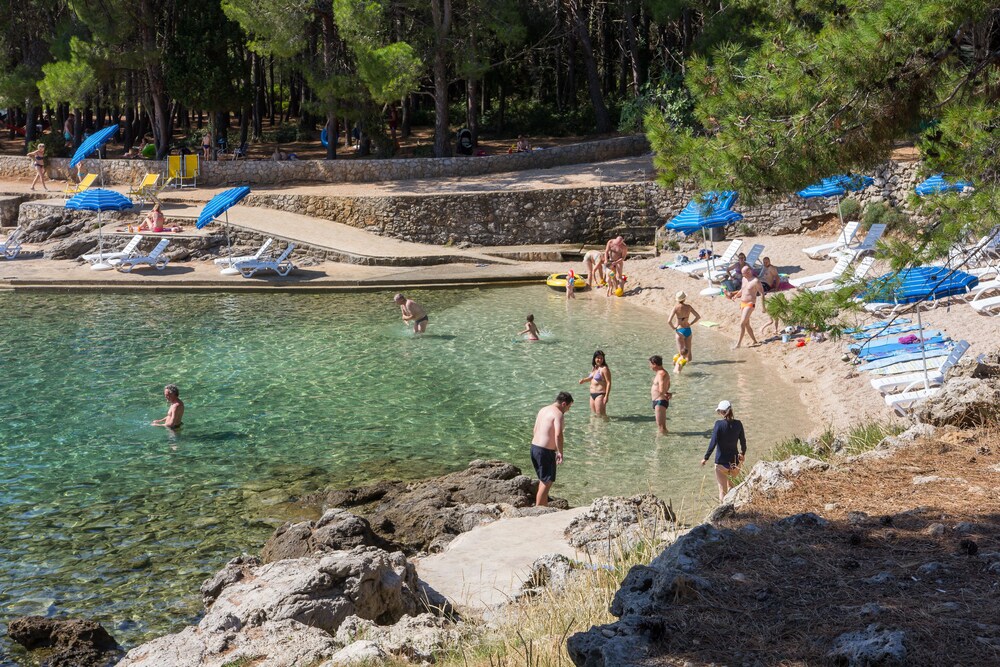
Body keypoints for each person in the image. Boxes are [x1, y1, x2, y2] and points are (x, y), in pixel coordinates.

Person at [530, 391, 573, 506]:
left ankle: (543, 507)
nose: (568, 410)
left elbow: (535, 429)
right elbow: (558, 435)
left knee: (543, 480)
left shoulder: (543, 410)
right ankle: (538, 511)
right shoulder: (558, 414)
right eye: (569, 407)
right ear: (564, 404)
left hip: (534, 448)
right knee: (546, 482)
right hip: (545, 451)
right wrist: (560, 452)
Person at [700, 400, 746, 502]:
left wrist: (705, 458)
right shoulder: (738, 424)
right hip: (735, 462)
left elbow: (713, 442)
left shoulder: (718, 424)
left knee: (722, 491)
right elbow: (743, 442)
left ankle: (723, 512)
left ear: (722, 412)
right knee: (733, 488)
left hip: (721, 463)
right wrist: (742, 454)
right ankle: (733, 508)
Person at [668, 291, 701, 372]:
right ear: (684, 298)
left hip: (680, 330)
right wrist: (691, 323)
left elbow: (669, 321)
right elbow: (698, 316)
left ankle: (677, 372)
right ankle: (688, 368)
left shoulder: (676, 307)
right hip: (688, 330)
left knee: (681, 354)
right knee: (688, 353)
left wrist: (673, 328)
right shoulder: (689, 307)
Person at [732, 265, 763, 348]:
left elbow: (762, 293)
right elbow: (743, 289)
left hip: (750, 304)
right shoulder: (744, 279)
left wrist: (763, 307)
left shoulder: (755, 281)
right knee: (746, 324)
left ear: (749, 272)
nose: (742, 275)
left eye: (744, 273)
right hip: (742, 303)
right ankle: (754, 341)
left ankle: (738, 344)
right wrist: (736, 295)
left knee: (742, 324)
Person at [579, 350, 611, 417]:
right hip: (592, 395)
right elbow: (591, 378)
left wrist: (606, 396)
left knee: (600, 415)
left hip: (600, 394)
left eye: (601, 358)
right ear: (594, 358)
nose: (600, 360)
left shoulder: (604, 369)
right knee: (593, 415)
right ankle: (594, 427)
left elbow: (608, 382)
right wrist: (583, 380)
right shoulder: (595, 367)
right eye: (598, 358)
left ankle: (603, 426)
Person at [649, 355, 672, 435]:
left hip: (660, 401)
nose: (650, 366)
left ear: (654, 364)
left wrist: (663, 393)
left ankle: (663, 444)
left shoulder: (661, 374)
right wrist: (667, 393)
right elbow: (667, 385)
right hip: (659, 401)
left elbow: (662, 389)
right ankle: (663, 440)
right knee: (660, 426)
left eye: (650, 364)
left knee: (661, 426)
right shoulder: (661, 373)